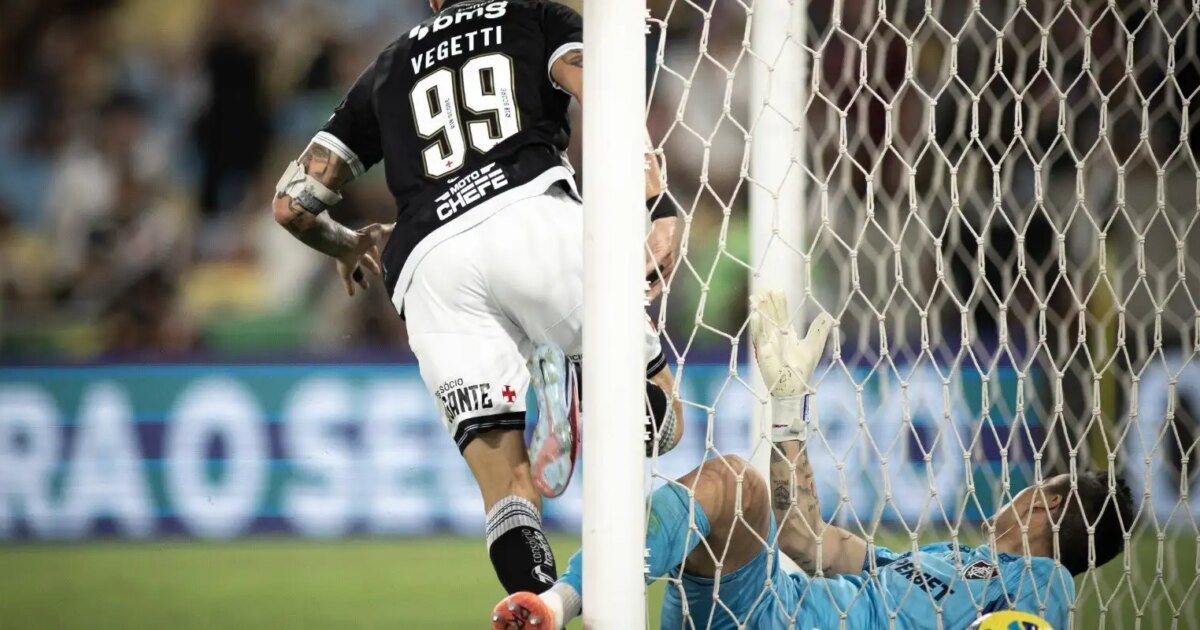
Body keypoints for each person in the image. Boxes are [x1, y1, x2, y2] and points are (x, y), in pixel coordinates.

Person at [269, 0, 684, 597]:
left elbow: (291, 205)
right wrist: (656, 203)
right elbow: (604, 94)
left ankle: (536, 607)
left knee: (506, 491)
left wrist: (346, 245)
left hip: (429, 262)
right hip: (532, 216)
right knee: (661, 420)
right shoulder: (534, 16)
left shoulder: (387, 67)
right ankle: (584, 406)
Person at [492, 288, 1134, 629]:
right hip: (760, 605)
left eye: (1037, 484)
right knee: (729, 486)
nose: (1019, 490)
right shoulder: (948, 561)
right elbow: (805, 539)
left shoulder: (1044, 584)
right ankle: (559, 603)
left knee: (732, 482)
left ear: (1050, 500)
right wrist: (786, 408)